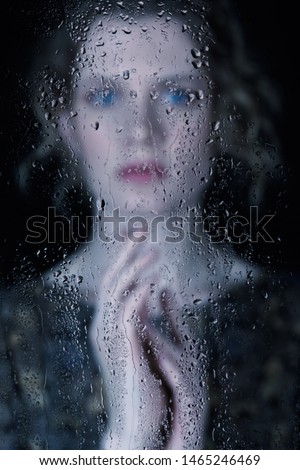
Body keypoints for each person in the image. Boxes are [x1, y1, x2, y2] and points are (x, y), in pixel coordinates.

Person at [1, 0, 299, 450]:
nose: (140, 130)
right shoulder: (6, 334)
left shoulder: (292, 324)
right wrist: (128, 440)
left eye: (177, 95)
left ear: (220, 117)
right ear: (66, 124)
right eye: (105, 96)